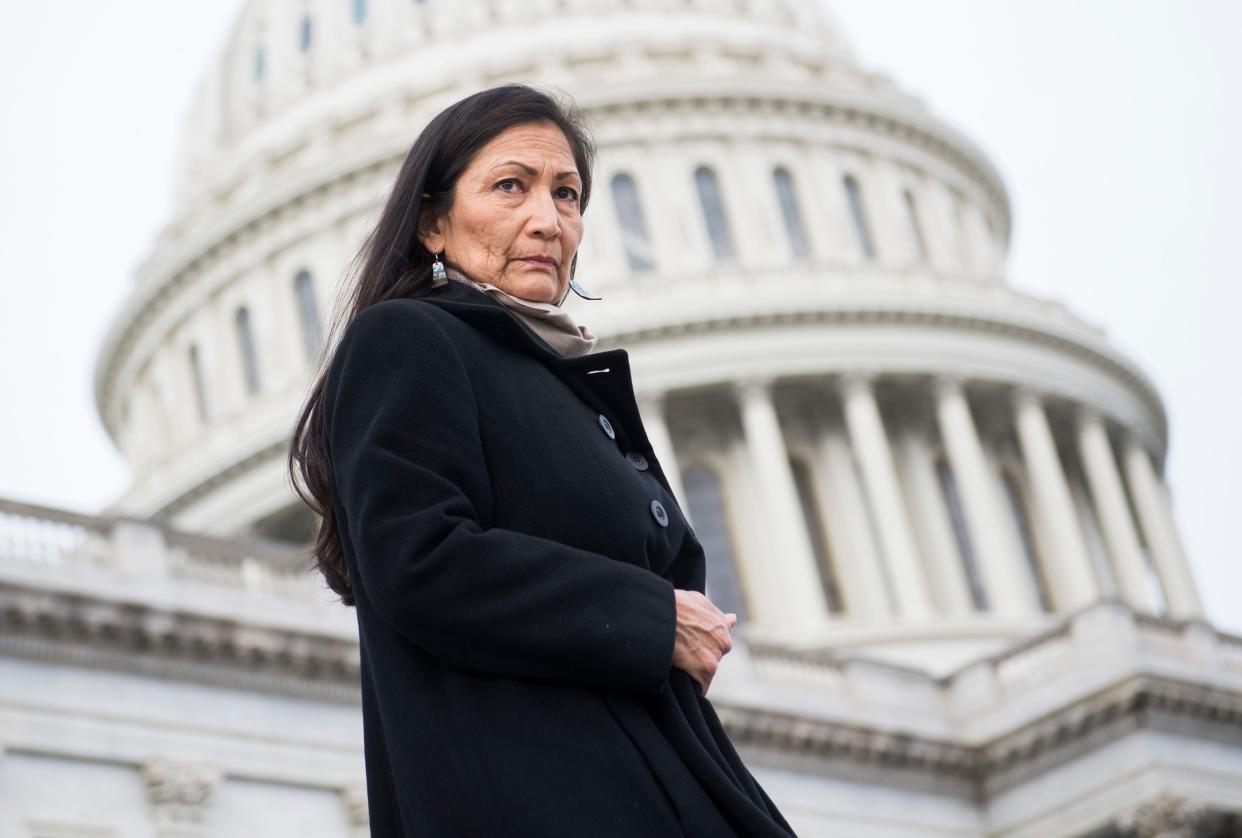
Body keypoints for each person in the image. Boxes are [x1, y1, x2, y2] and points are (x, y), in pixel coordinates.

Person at [289, 84, 797, 837]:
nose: (547, 219)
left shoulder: (567, 387)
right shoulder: (408, 340)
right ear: (433, 222)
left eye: (567, 194)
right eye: (510, 187)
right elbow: (420, 560)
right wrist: (652, 617)